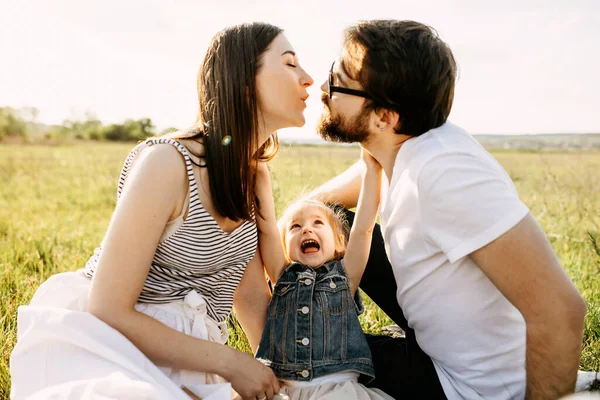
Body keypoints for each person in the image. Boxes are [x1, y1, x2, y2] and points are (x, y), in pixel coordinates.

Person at [10, 22, 313, 400]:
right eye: (290, 64)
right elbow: (108, 307)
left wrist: (282, 380)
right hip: (112, 346)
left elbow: (249, 296)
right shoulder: (167, 163)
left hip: (195, 360)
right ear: (245, 80)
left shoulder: (253, 176)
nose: (308, 79)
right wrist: (231, 363)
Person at [309, 20, 587, 399]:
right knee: (322, 223)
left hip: (469, 388)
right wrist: (292, 218)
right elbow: (322, 204)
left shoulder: (446, 173)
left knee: (302, 361)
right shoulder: (401, 146)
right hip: (442, 351)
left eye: (337, 82)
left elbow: (561, 312)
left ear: (384, 117)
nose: (324, 89)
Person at [252, 148, 393, 400]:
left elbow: (363, 229)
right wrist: (259, 169)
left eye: (318, 223)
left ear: (339, 242)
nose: (307, 229)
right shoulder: (282, 275)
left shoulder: (345, 277)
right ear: (285, 248)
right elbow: (267, 228)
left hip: (339, 391)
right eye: (296, 226)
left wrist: (372, 169)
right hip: (287, 392)